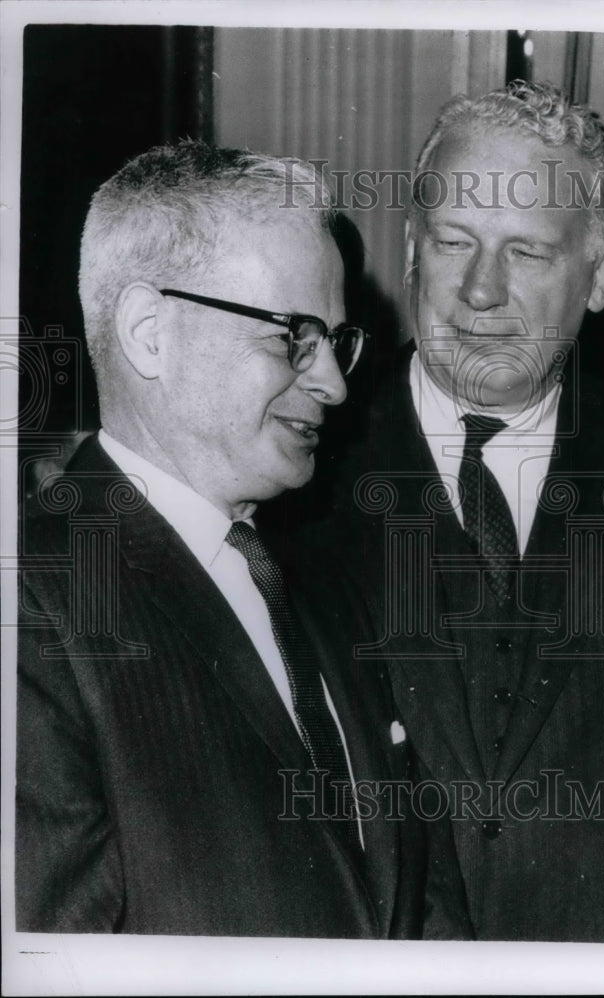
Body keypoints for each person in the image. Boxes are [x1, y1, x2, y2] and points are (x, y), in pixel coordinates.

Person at [16, 140, 470, 938]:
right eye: (292, 335)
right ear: (150, 333)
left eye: (336, 341)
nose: (332, 383)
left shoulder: (319, 581)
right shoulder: (34, 599)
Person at [293, 80, 604, 942]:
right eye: (453, 242)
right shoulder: (291, 471)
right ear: (410, 249)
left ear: (600, 275)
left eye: (527, 254)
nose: (478, 292)